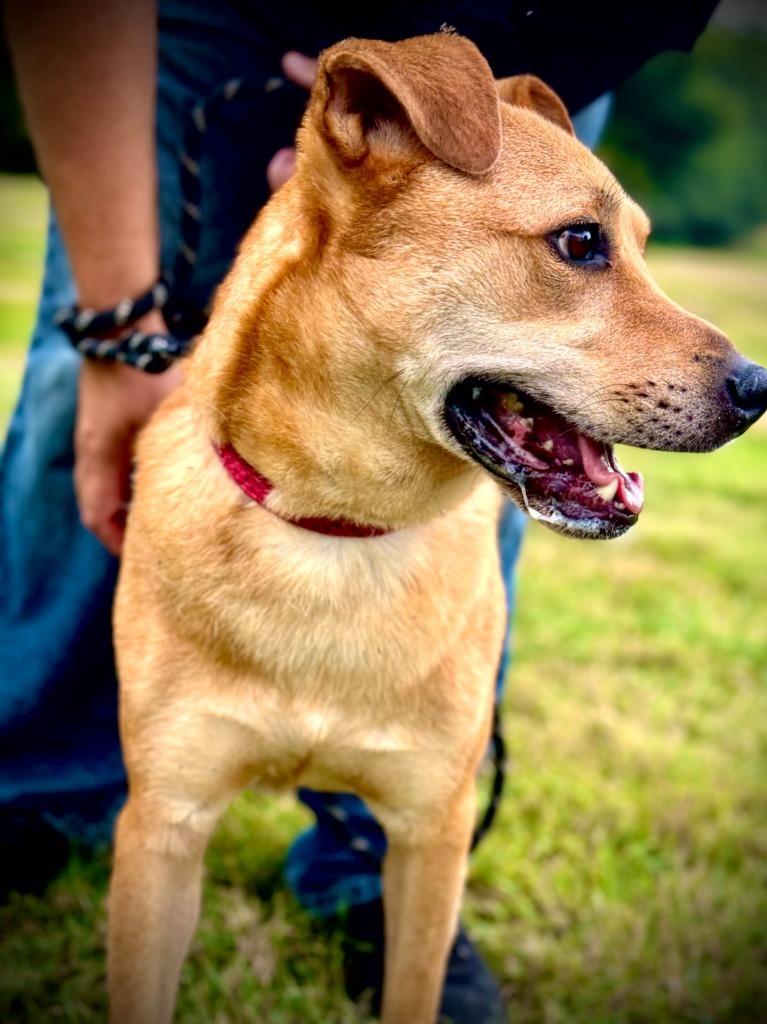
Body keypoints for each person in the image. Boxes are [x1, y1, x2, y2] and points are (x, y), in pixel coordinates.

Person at [0, 1, 718, 1019]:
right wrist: (117, 330)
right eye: (582, 248)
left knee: (474, 404)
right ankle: (36, 793)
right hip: (188, 17)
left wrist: (447, 133)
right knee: (67, 403)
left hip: (538, 23)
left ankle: (366, 878)